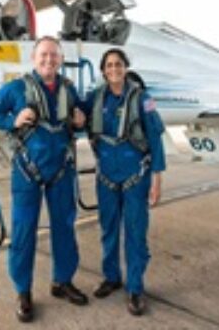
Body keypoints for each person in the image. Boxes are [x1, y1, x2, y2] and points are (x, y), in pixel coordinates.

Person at [0, 36, 88, 323]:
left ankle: (62, 281)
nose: (49, 60)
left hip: (62, 170)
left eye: (54, 55)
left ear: (61, 59)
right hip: (27, 171)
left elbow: (82, 115)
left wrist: (81, 119)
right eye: (43, 55)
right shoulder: (16, 88)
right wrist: (12, 121)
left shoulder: (68, 89)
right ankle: (23, 291)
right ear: (33, 58)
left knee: (65, 227)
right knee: (23, 231)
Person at [85, 48, 166, 316]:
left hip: (136, 176)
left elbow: (155, 139)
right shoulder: (96, 98)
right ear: (103, 70)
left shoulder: (143, 99)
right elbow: (77, 118)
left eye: (118, 64)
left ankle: (135, 287)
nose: (113, 69)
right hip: (106, 175)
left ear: (126, 67)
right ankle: (111, 277)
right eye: (108, 65)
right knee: (108, 230)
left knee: (135, 233)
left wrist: (157, 180)